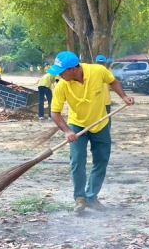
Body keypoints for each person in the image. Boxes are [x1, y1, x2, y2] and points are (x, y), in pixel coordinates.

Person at [48, 51, 134, 212]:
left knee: (101, 159)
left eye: (61, 71)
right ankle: (80, 198)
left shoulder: (97, 71)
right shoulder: (62, 85)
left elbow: (113, 81)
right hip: (77, 124)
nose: (59, 74)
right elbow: (55, 112)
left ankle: (92, 197)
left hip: (100, 122)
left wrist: (123, 96)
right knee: (77, 159)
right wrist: (67, 131)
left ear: (73, 68)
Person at [95, 55, 112, 125]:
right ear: (105, 63)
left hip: (95, 101)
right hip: (106, 101)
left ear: (96, 63)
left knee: (96, 120)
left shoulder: (91, 73)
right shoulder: (108, 72)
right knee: (107, 120)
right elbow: (111, 86)